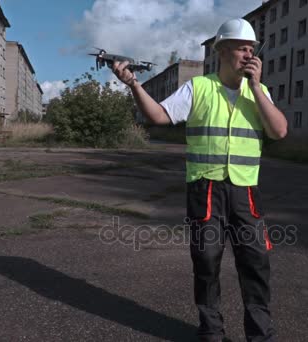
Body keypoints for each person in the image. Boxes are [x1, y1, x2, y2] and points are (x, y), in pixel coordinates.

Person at [112, 18, 287, 342]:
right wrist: (134, 84)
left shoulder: (260, 92)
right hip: (205, 189)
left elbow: (279, 131)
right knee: (206, 261)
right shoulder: (200, 87)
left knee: (255, 262)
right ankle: (211, 331)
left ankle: (260, 335)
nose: (249, 54)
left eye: (252, 49)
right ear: (222, 50)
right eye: (241, 48)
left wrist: (255, 89)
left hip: (246, 191)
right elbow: (159, 116)